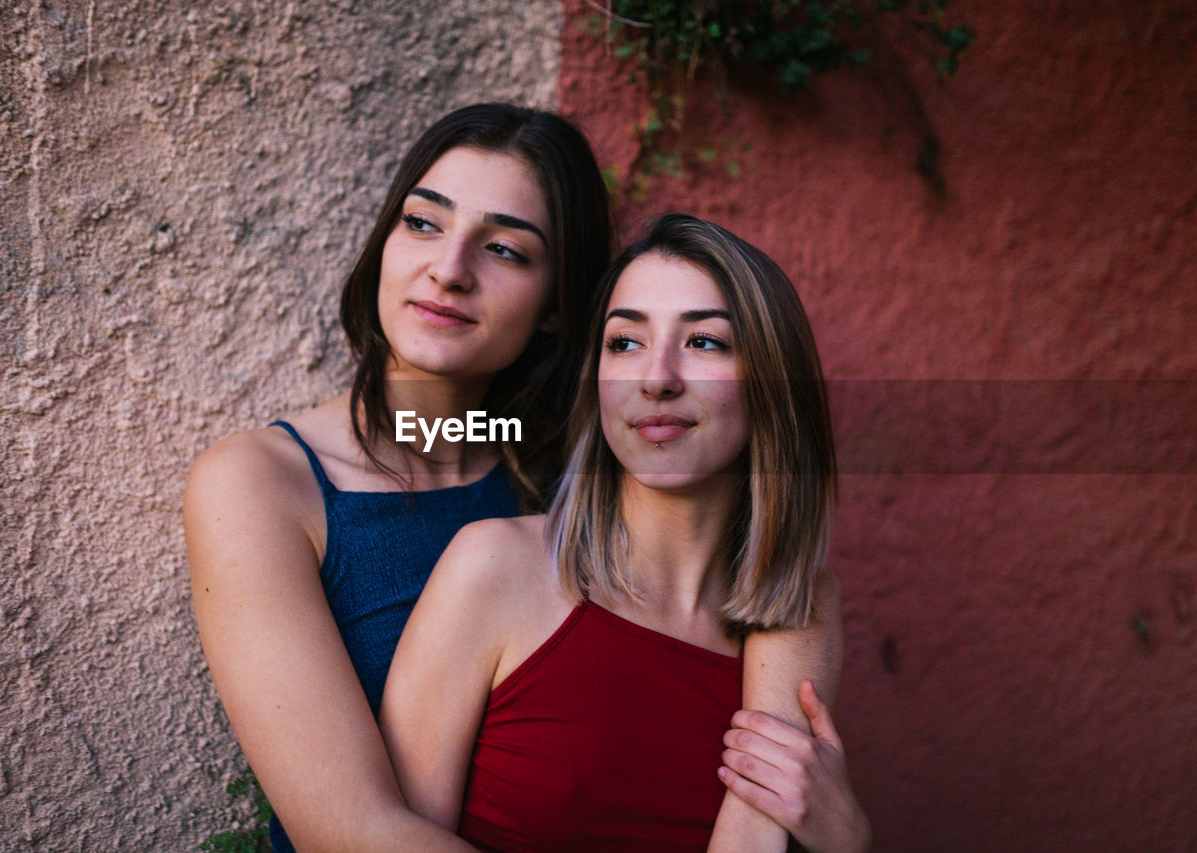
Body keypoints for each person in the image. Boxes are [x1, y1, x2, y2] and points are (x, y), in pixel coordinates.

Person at [186, 104, 866, 852]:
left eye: (506, 250)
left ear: (556, 306)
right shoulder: (262, 484)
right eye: (421, 223)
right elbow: (349, 830)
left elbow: (770, 577)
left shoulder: (554, 466)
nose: (449, 269)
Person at [380, 214, 869, 852]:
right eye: (625, 343)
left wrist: (848, 841)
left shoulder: (796, 607)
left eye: (706, 343)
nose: (656, 378)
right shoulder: (495, 566)